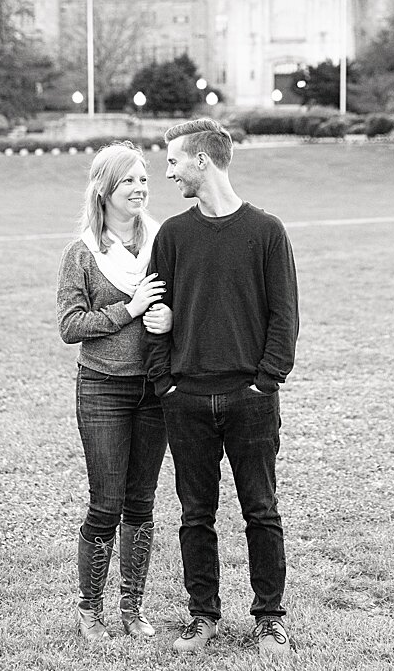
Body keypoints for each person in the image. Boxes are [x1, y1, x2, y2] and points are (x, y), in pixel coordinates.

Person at [144, 118, 299, 658]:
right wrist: (165, 384)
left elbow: (284, 317)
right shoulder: (173, 235)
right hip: (185, 399)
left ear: (202, 161)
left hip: (250, 400)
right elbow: (155, 313)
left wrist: (265, 381)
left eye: (173, 162)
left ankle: (270, 619)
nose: (168, 174)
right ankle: (202, 615)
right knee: (195, 513)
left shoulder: (266, 231)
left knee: (262, 510)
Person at [56, 142, 170, 641]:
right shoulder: (82, 253)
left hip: (154, 390)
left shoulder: (164, 244)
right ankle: (89, 610)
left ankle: (133, 607)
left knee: (141, 503)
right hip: (102, 389)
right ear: (104, 189)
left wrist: (170, 317)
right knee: (105, 502)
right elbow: (69, 325)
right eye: (128, 181)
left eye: (143, 179)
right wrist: (129, 309)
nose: (139, 188)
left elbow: (185, 302)